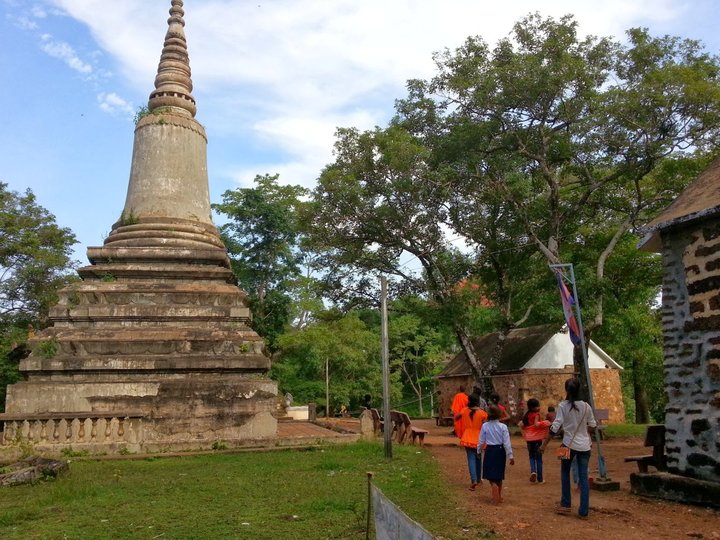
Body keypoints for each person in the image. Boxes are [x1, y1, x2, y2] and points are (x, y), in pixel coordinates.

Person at [540, 377, 597, 520]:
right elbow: (593, 425)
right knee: (583, 477)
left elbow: (555, 426)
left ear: (567, 390)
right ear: (579, 390)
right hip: (585, 447)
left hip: (567, 445)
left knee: (564, 472)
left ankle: (565, 504)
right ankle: (584, 511)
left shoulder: (563, 406)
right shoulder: (586, 406)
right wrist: (584, 435)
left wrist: (544, 444)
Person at [478, 404, 514, 504]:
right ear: (499, 414)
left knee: (490, 473)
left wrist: (478, 450)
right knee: (499, 474)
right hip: (500, 450)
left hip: (489, 450)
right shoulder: (503, 426)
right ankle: (499, 495)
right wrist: (510, 456)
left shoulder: (485, 426)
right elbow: (507, 442)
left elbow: (481, 440)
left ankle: (493, 485)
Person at [457, 393, 489, 491]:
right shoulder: (483, 413)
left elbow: (457, 417)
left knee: (471, 459)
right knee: (479, 458)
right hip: (479, 438)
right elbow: (486, 426)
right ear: (478, 402)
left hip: (467, 437)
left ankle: (474, 480)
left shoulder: (464, 411)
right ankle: (479, 479)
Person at [517, 398, 551, 483]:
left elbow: (521, 425)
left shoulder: (527, 415)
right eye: (537, 406)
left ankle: (533, 471)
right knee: (539, 458)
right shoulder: (537, 414)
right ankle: (540, 479)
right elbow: (536, 425)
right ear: (532, 407)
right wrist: (545, 423)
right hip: (537, 439)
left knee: (531, 457)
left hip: (529, 440)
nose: (539, 407)